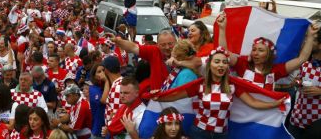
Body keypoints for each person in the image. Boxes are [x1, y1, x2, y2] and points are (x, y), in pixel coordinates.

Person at [156, 47, 285, 139]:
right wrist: (157, 97)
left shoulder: (233, 86)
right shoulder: (200, 85)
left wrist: (275, 104)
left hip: (221, 134)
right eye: (217, 62)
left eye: (224, 62)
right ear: (209, 65)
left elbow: (253, 103)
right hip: (199, 133)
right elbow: (174, 96)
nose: (221, 65)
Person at [217, 13, 319, 91]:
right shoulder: (242, 64)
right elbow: (224, 53)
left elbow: (302, 59)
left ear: (269, 55)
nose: (255, 53)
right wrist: (222, 28)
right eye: (254, 49)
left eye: (260, 50)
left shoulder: (276, 70)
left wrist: (310, 36)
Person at [109, 29, 201, 92]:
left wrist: (179, 62)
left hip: (178, 100)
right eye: (163, 45)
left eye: (170, 44)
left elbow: (198, 63)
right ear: (157, 45)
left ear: (176, 42)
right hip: (157, 101)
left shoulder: (184, 52)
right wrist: (117, 41)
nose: (167, 47)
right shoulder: (154, 51)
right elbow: (133, 47)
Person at [288, 29, 321, 139]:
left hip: (317, 123)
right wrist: (298, 82)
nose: (308, 41)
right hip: (297, 118)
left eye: (313, 39)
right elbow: (298, 80)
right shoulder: (305, 64)